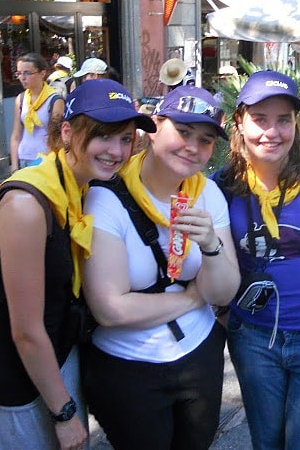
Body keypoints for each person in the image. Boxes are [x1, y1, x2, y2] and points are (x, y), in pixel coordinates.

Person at [0, 79, 155, 450]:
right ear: (67, 132)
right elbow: (26, 331)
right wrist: (64, 413)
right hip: (17, 388)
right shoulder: (28, 206)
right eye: (103, 136)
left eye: (125, 138)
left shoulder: (77, 186)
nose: (117, 151)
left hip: (56, 365)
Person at [80, 85, 240, 450]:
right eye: (182, 132)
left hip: (199, 355)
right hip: (127, 366)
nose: (192, 147)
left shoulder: (206, 194)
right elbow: (110, 310)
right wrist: (192, 299)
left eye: (205, 140)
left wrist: (211, 246)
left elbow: (223, 292)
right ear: (153, 128)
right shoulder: (106, 197)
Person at [219, 70, 300, 450]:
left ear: (296, 124)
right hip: (252, 337)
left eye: (283, 120)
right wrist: (227, 316)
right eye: (260, 119)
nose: (272, 132)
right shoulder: (222, 187)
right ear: (239, 122)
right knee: (267, 443)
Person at [10, 53, 65, 173]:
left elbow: (56, 137)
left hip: (45, 160)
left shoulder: (55, 100)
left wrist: (52, 162)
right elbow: (16, 135)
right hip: (23, 158)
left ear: (42, 73)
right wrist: (14, 166)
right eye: (19, 73)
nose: (22, 77)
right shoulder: (21, 99)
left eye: (27, 73)